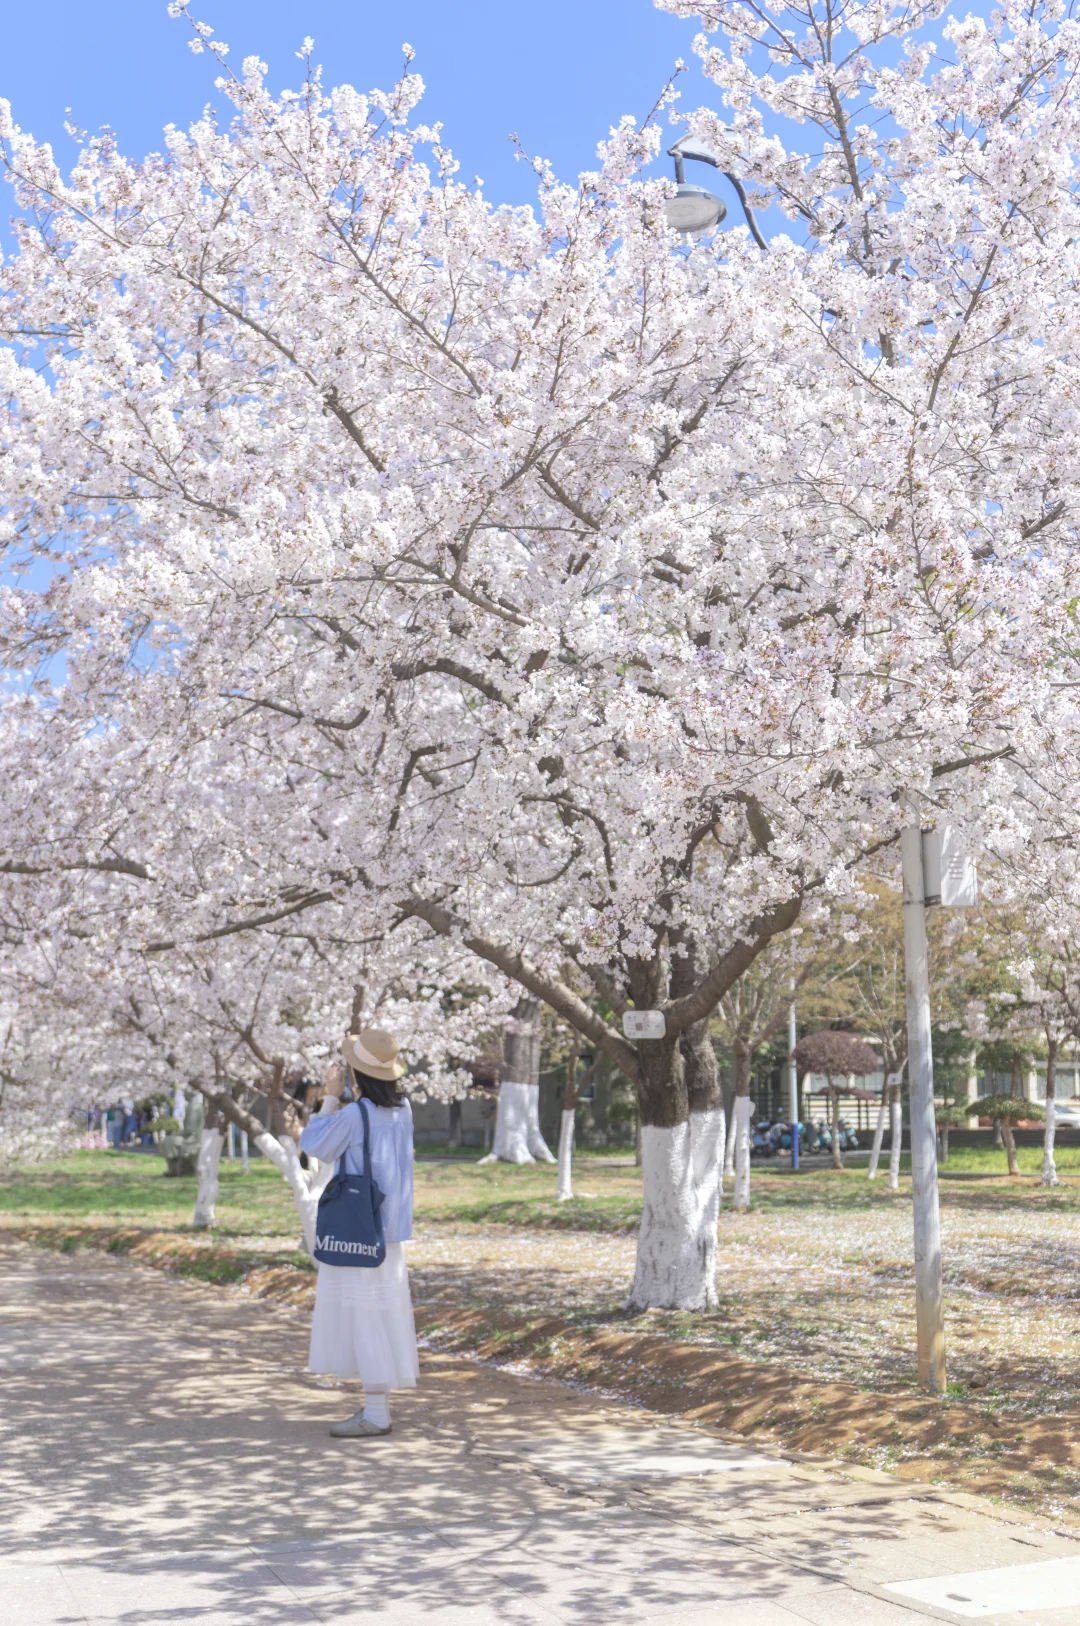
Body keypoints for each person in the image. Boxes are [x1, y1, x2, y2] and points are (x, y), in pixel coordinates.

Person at [298, 1027, 418, 1439]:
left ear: (356, 1072)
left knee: (365, 1318)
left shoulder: (354, 1115)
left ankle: (377, 1413)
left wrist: (329, 1097)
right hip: (388, 1231)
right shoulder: (404, 1110)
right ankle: (376, 1406)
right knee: (382, 1316)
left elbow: (314, 1144)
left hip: (358, 1229)